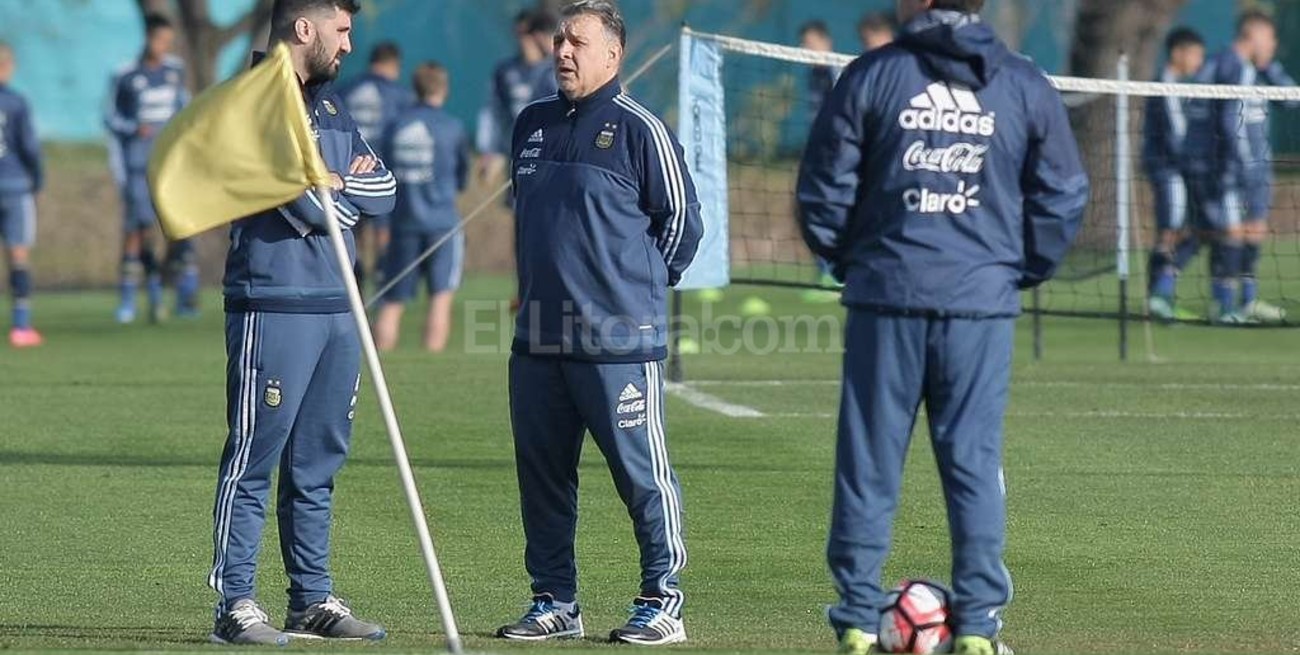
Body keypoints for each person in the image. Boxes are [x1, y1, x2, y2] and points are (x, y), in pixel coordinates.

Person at [796, 0, 1088, 654]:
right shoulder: (1022, 82)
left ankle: (857, 619)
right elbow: (1064, 192)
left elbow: (822, 185)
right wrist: (1017, 269)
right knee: (974, 464)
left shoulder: (873, 74)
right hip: (978, 304)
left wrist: (854, 261)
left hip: (886, 298)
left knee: (869, 461)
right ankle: (979, 627)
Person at [495, 0, 702, 646]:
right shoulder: (530, 124)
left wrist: (632, 298)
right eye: (560, 40)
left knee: (642, 477)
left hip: (618, 346)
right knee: (544, 478)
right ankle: (555, 599)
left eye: (577, 42)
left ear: (613, 56)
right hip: (537, 343)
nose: (562, 51)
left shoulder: (641, 128)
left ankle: (662, 601)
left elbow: (684, 226)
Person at [207, 0, 395, 645]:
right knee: (255, 457)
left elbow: (385, 188)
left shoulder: (332, 105)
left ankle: (310, 599)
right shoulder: (252, 101)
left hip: (339, 307)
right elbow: (301, 207)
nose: (348, 45)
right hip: (274, 302)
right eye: (341, 31)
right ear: (304, 28)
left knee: (318, 464)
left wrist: (333, 187)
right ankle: (235, 604)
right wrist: (332, 194)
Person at [1184, 10, 1293, 324]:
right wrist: (1242, 162)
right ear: (1256, 35)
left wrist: (1269, 66)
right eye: (1271, 40)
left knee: (1254, 229)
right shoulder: (1231, 66)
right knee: (1228, 233)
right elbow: (1230, 121)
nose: (1273, 46)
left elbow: (1291, 100)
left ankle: (1247, 300)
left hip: (1257, 167)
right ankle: (1224, 304)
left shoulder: (1256, 68)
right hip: (1232, 168)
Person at [105, 13, 198, 324]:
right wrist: (134, 127)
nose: (164, 46)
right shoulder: (126, 75)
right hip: (138, 165)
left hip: (171, 165)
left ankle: (186, 298)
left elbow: (184, 109)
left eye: (168, 41)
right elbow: (110, 117)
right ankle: (130, 300)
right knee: (138, 230)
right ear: (148, 38)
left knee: (182, 226)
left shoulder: (175, 71)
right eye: (160, 40)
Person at [374, 62, 470, 353]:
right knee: (440, 297)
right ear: (443, 88)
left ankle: (381, 361)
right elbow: (462, 177)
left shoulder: (394, 127)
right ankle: (432, 360)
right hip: (442, 224)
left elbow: (383, 174)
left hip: (402, 224)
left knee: (392, 301)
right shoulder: (452, 128)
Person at [336, 41, 414, 291]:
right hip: (381, 176)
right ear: (393, 65)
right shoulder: (400, 95)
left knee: (352, 232)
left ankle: (354, 281)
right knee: (383, 232)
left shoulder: (345, 90)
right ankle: (383, 279)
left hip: (346, 174)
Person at [1143, 28, 1205, 322]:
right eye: (1195, 54)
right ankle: (1159, 297)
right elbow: (1177, 137)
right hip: (1170, 173)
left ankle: (1160, 295)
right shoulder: (1165, 86)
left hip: (1180, 172)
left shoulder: (1181, 86)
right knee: (1170, 233)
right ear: (1178, 52)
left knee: (1188, 232)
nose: (1198, 61)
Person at [476, 9, 559, 184]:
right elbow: (493, 111)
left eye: (527, 33)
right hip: (518, 153)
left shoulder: (555, 71)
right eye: (518, 33)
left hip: (550, 156)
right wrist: (489, 150)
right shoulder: (505, 71)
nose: (523, 40)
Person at [0, 43, 43, 347]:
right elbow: (28, 147)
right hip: (14, 186)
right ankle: (21, 326)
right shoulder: (16, 102)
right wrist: (37, 178)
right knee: (18, 254)